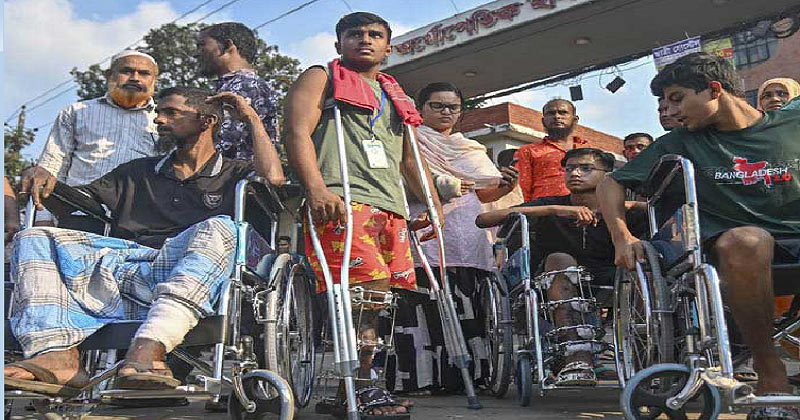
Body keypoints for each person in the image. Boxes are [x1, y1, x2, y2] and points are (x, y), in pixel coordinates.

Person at [4, 87, 284, 396]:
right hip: (130, 269)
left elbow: (274, 179)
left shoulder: (234, 173)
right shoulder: (136, 172)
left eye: (170, 113)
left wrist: (251, 118)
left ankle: (151, 345)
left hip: (197, 271)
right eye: (158, 113)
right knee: (33, 237)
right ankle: (56, 357)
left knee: (222, 227)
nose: (159, 120)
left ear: (207, 121)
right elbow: (79, 201)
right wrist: (47, 180)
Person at [597, 52, 800, 420]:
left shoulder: (791, 121)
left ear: (714, 90)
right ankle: (770, 374)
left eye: (678, 98)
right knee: (747, 240)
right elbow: (611, 183)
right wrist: (622, 236)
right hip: (736, 246)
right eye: (666, 102)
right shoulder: (680, 142)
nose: (671, 111)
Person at [284, 11, 442, 418]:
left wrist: (432, 202)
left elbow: (410, 157)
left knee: (378, 303)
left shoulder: (395, 93)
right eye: (355, 34)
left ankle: (349, 391)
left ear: (388, 47)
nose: (365, 40)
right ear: (339, 44)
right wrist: (316, 188)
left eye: (375, 35)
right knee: (363, 294)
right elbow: (296, 132)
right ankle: (364, 387)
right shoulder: (321, 76)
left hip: (390, 207)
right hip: (342, 199)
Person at [388, 82, 519, 395]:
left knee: (468, 307)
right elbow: (399, 181)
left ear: (461, 112)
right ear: (421, 109)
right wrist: (442, 186)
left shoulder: (471, 148)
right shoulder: (408, 140)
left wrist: (505, 187)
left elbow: (483, 193)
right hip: (425, 231)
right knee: (422, 306)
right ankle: (420, 380)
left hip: (468, 235)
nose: (446, 112)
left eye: (453, 107)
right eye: (437, 105)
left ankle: (471, 378)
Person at [477, 148, 644, 386]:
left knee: (642, 259)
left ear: (607, 176)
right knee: (560, 259)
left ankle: (646, 360)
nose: (575, 173)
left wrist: (628, 206)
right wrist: (555, 210)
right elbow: (483, 220)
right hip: (553, 280)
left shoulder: (620, 210)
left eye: (586, 168)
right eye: (570, 169)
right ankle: (577, 358)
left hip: (611, 276)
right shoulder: (552, 204)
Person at [20, 51, 161, 231]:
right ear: (109, 75)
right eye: (126, 71)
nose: (135, 78)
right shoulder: (77, 112)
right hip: (77, 213)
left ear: (154, 79)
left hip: (137, 220)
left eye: (144, 73)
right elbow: (52, 166)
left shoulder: (164, 120)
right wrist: (43, 218)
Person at [196, 22, 280, 159]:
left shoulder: (245, 86)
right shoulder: (235, 85)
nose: (197, 54)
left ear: (227, 46)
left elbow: (222, 142)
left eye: (202, 46)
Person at [514, 98, 591, 202]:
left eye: (563, 112)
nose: (557, 116)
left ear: (575, 120)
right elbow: (521, 189)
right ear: (543, 121)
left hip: (586, 208)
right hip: (544, 209)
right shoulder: (527, 151)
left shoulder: (589, 150)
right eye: (551, 113)